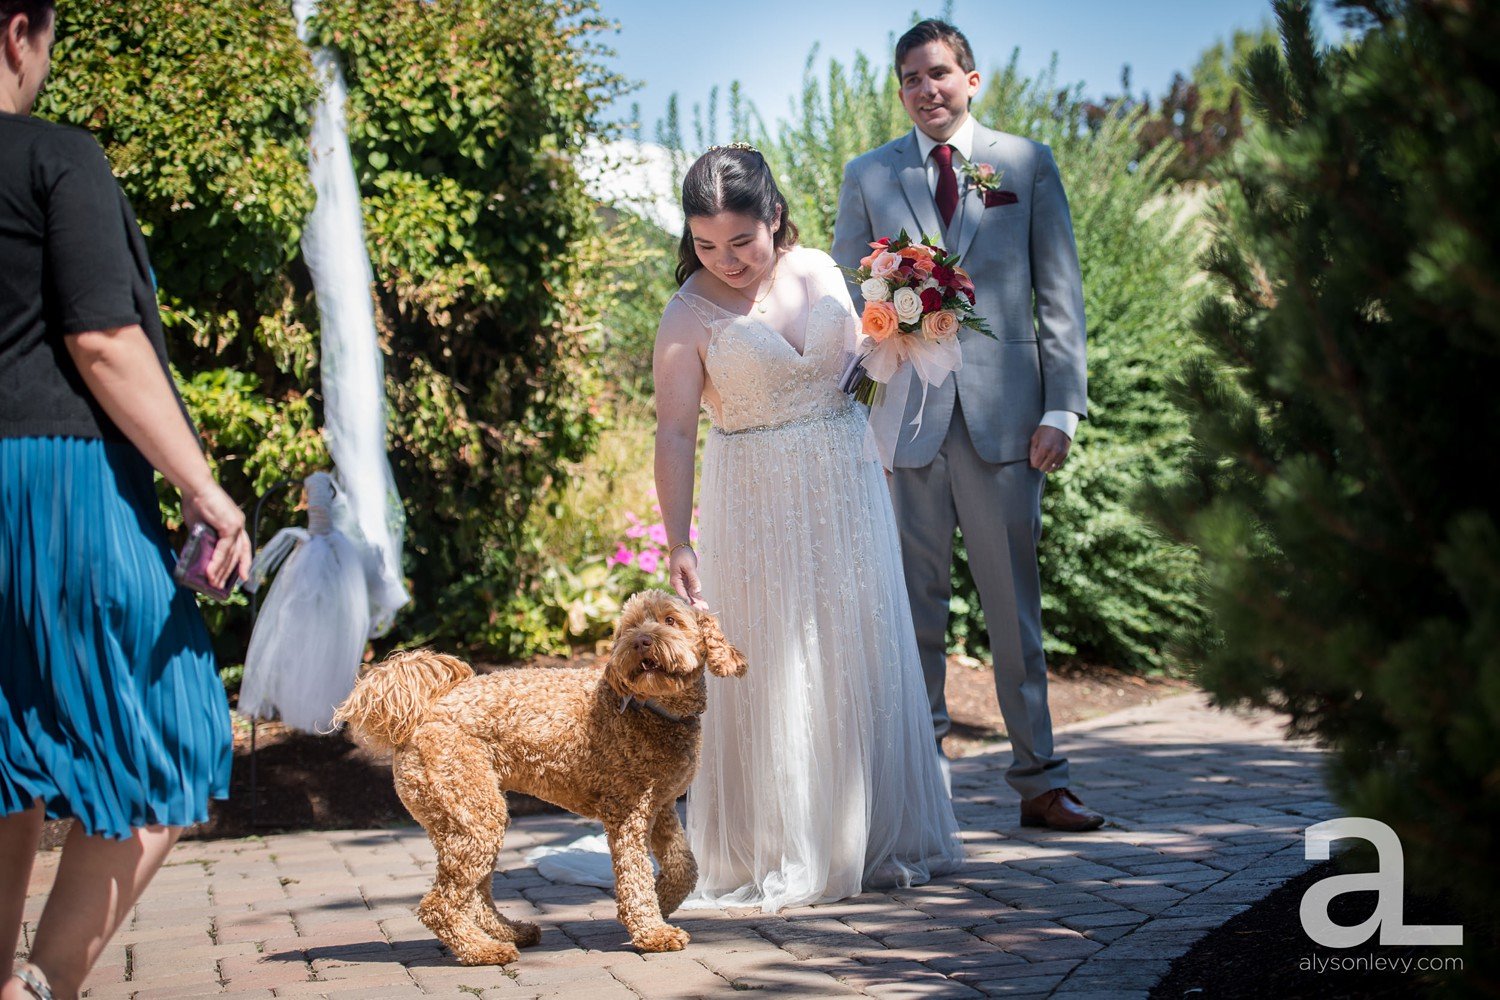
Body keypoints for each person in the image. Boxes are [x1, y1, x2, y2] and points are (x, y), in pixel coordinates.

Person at [0, 4, 252, 998]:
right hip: (55, 479)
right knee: (177, 724)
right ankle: (44, 986)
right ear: (20, 30)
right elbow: (103, 340)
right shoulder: (54, 158)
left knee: (7, 745)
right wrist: (203, 489)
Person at [653, 143, 963, 911]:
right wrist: (678, 540)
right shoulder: (687, 312)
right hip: (753, 501)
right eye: (705, 244)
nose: (725, 259)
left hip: (842, 483)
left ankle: (863, 833)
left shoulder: (821, 269)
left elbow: (866, 370)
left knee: (850, 650)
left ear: (775, 217)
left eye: (741, 241)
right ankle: (784, 843)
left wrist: (907, 327)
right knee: (778, 667)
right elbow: (675, 434)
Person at [831, 19, 1103, 832]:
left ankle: (1041, 782)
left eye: (940, 73)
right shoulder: (870, 172)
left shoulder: (1024, 164)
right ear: (901, 90)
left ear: (971, 79)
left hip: (1007, 424)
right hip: (907, 422)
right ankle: (924, 788)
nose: (928, 89)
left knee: (1013, 605)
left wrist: (1062, 406)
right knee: (912, 609)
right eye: (911, 79)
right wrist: (883, 336)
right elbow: (852, 293)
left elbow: (1059, 292)